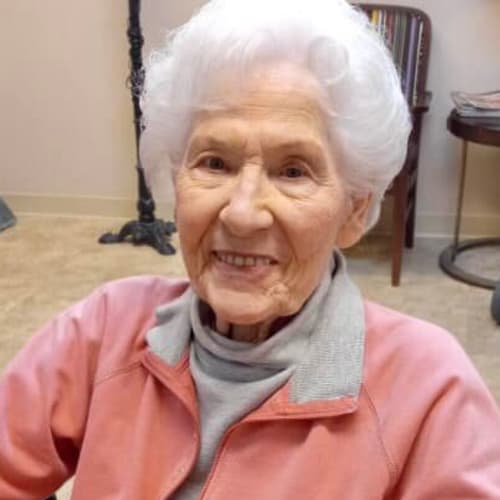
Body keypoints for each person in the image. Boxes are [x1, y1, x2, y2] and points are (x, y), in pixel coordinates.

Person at [1, 0, 500, 498]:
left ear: (353, 210)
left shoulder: (431, 393)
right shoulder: (102, 331)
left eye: (293, 171)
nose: (241, 213)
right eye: (215, 162)